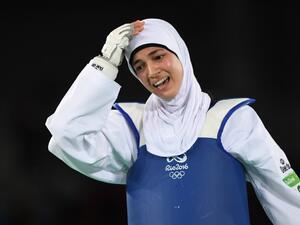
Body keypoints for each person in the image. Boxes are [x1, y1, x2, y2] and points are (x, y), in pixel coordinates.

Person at [45, 18, 300, 225]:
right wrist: (105, 64)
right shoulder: (132, 126)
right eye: (139, 66)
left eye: (158, 56)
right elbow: (65, 131)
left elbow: (286, 194)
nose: (151, 72)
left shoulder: (232, 119)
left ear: (181, 55)